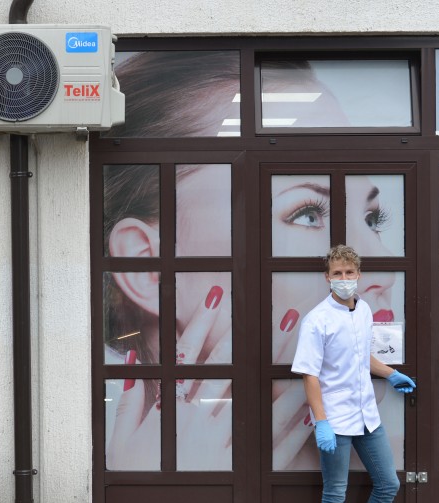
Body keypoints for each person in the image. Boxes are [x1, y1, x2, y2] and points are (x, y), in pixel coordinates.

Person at [102, 51, 406, 473]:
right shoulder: (97, 482)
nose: (385, 271)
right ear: (149, 266)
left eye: (372, 219)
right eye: (307, 214)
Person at [290, 244, 416, 503]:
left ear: (359, 275)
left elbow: (363, 357)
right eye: (337, 273)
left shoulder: (364, 310)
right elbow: (310, 375)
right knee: (335, 496)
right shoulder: (317, 320)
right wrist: (323, 422)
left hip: (367, 416)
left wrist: (391, 373)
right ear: (327, 277)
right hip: (336, 419)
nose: (344, 279)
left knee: (388, 483)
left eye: (349, 273)